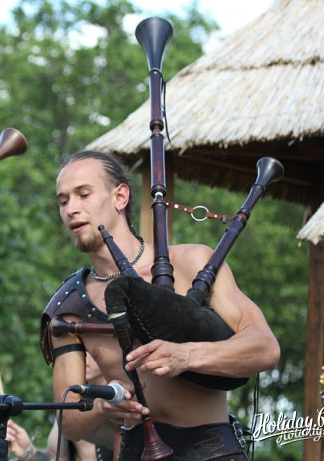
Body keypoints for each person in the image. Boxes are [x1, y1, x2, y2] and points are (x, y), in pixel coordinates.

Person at [40, 150, 280, 459]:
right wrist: (102, 407)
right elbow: (69, 423)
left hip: (212, 450)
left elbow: (265, 347)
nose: (71, 208)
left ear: (120, 196)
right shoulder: (69, 306)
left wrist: (186, 355)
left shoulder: (191, 262)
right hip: (136, 450)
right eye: (63, 201)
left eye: (83, 194)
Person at [5, 353, 115, 461]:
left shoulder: (122, 402)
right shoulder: (70, 399)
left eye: (87, 348)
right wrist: (28, 452)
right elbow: (56, 458)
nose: (81, 355)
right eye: (78, 348)